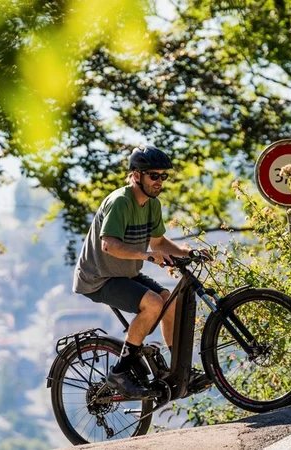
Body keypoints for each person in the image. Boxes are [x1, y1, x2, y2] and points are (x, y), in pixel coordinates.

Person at [72, 145, 212, 398]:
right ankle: (119, 371)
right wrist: (145, 255)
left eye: (163, 176)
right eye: (154, 176)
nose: (160, 181)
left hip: (124, 272)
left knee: (167, 300)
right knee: (152, 303)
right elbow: (109, 245)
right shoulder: (120, 202)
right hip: (98, 277)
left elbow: (158, 243)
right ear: (137, 175)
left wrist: (187, 252)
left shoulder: (152, 204)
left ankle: (177, 370)